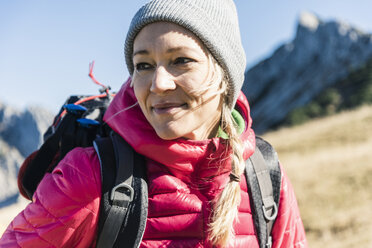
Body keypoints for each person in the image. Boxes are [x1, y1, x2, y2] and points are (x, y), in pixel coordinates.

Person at [0, 0, 307, 247]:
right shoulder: (90, 175)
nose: (158, 83)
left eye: (180, 60)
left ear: (224, 74)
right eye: (143, 65)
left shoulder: (265, 175)